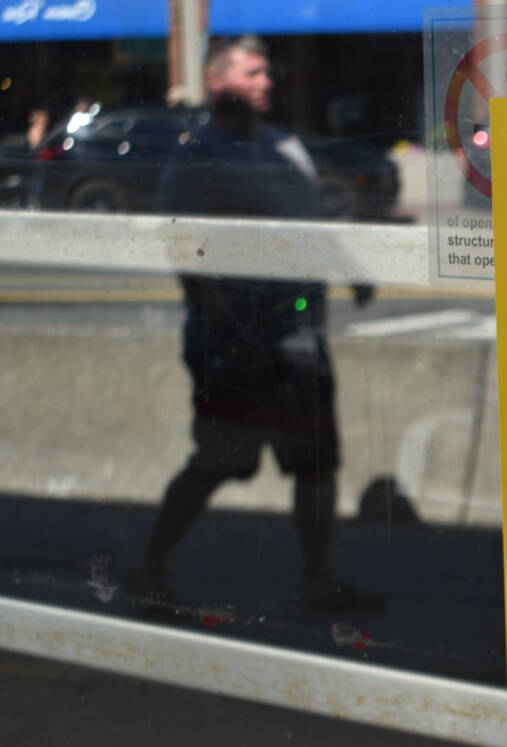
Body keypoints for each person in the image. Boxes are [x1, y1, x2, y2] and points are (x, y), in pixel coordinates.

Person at [134, 36, 379, 612]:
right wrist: (226, 334)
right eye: (252, 72)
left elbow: (310, 227)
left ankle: (319, 579)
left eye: (267, 72)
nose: (266, 81)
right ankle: (149, 568)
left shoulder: (286, 145)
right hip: (232, 347)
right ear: (216, 81)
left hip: (298, 337)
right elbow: (186, 250)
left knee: (316, 461)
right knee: (220, 461)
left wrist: (353, 273)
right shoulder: (197, 153)